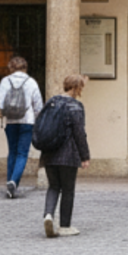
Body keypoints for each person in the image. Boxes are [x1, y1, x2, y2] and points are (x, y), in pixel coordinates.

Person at [41, 74, 90, 238]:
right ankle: (64, 226)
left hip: (49, 152)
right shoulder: (75, 106)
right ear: (76, 88)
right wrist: (85, 156)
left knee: (53, 186)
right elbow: (79, 134)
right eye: (81, 87)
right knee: (68, 189)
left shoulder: (51, 102)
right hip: (68, 155)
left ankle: (48, 215)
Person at [0, 55, 43, 199]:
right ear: (25, 68)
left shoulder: (5, 81)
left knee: (12, 152)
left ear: (10, 67)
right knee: (22, 153)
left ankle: (9, 183)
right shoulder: (31, 82)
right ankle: (14, 182)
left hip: (10, 121)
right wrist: (37, 119)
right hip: (27, 121)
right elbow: (38, 105)